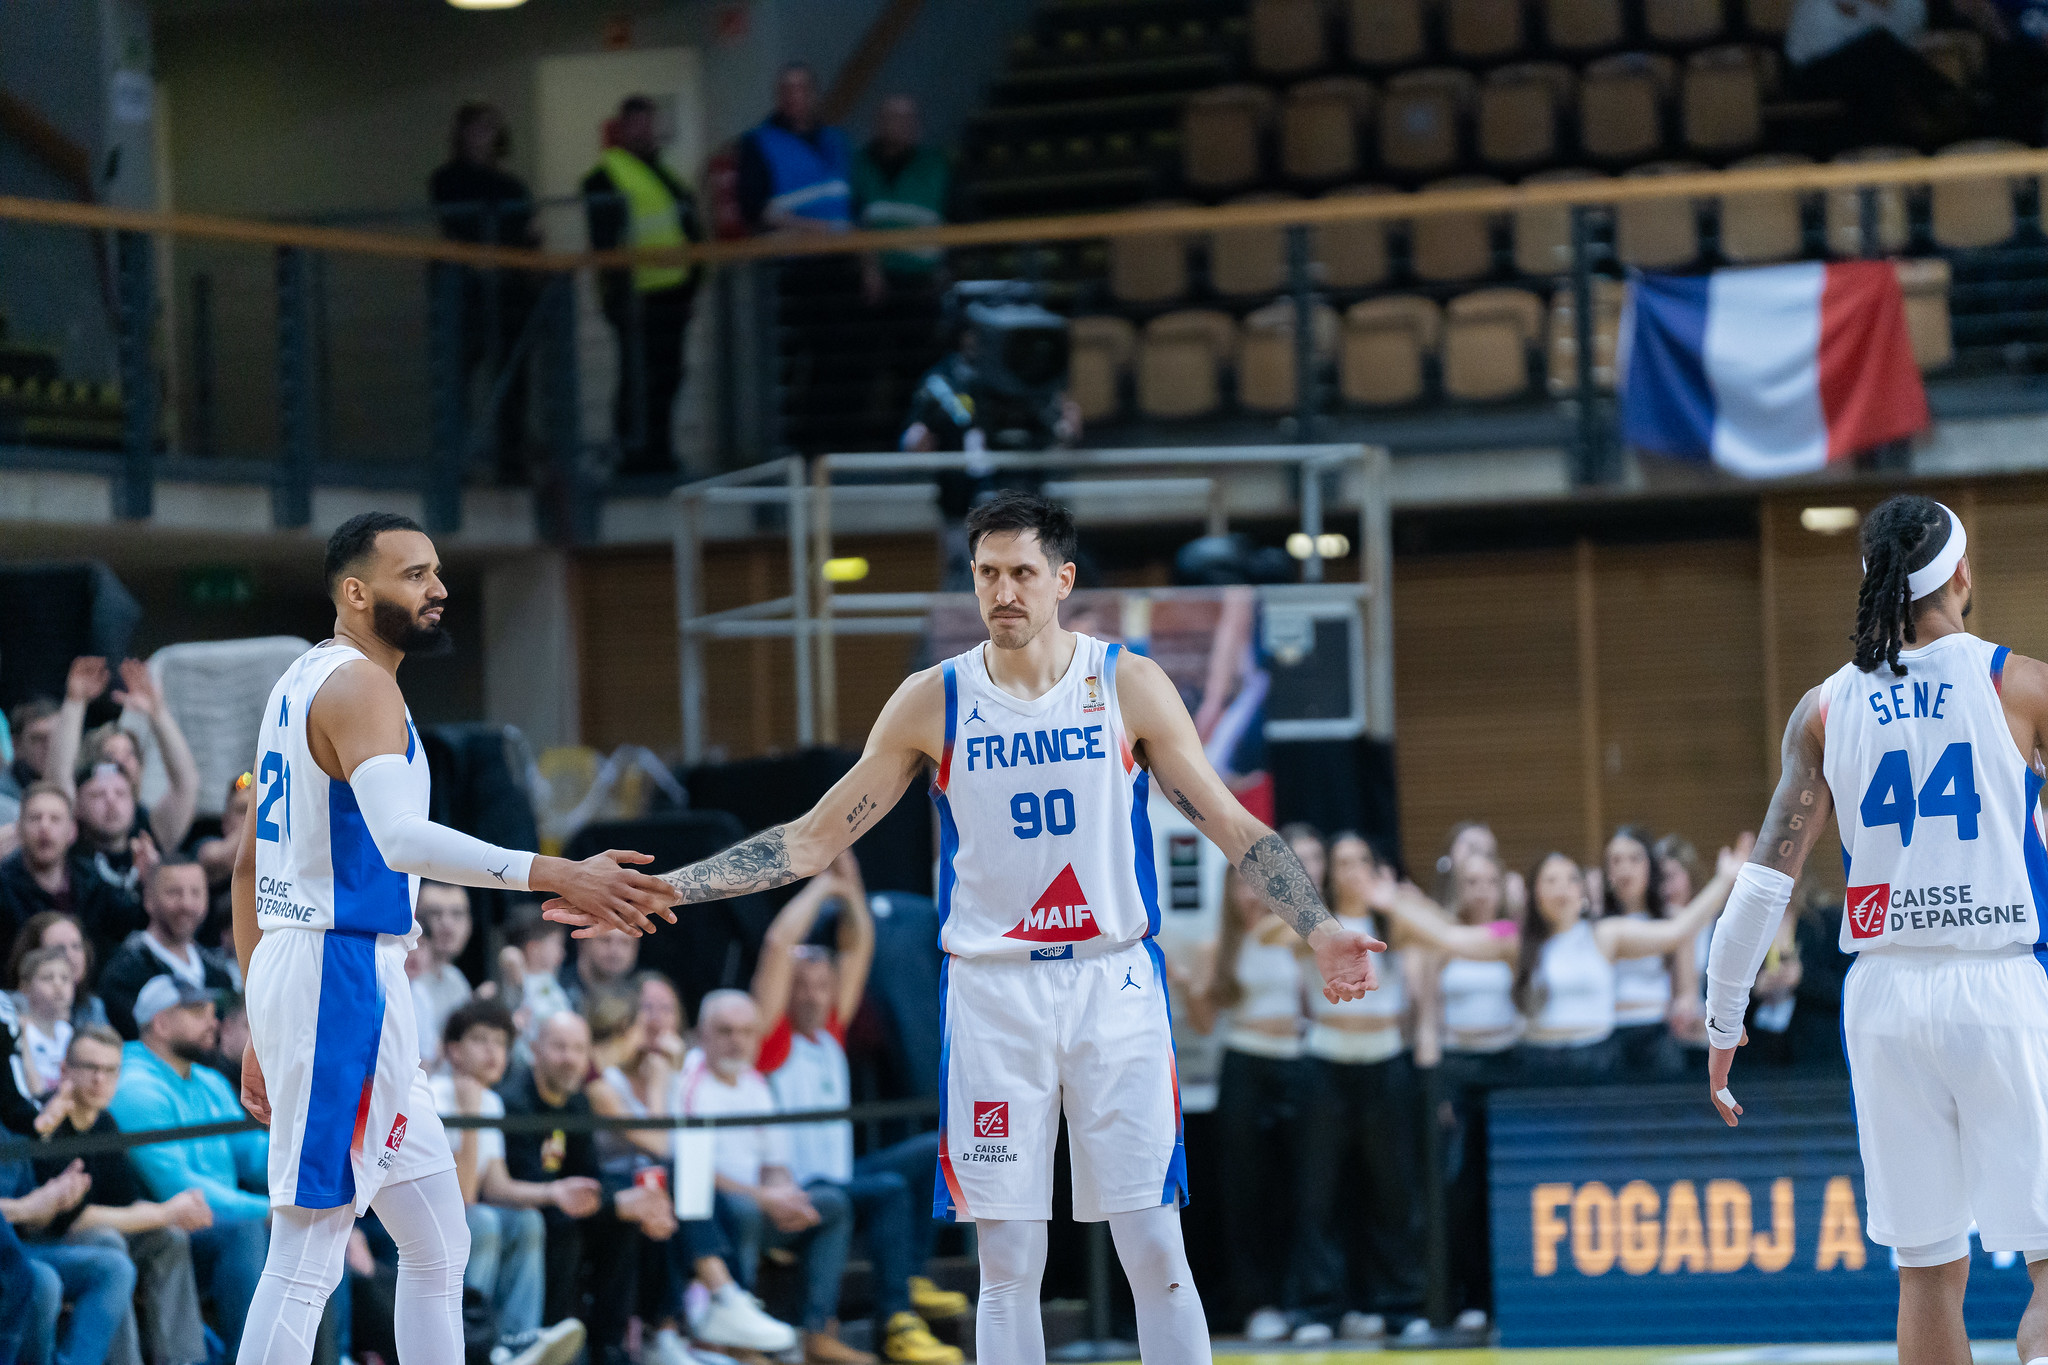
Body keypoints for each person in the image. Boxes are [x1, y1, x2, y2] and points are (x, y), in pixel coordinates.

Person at [548, 492, 1381, 1365]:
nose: (1004, 591)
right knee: (1008, 1261)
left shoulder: (1124, 680)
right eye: (987, 574)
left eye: (1022, 572)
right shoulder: (934, 699)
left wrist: (1318, 924)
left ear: (1062, 579)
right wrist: (665, 887)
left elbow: (1226, 820)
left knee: (1154, 1247)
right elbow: (809, 839)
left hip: (1113, 980)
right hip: (993, 992)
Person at [228, 510, 677, 1365]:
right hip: (337, 973)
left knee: (438, 1237)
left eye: (437, 572)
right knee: (308, 1249)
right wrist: (558, 871)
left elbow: (249, 864)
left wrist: (260, 1015)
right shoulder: (362, 686)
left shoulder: (298, 681)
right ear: (356, 594)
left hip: (330, 976)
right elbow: (402, 842)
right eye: (414, 575)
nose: (438, 589)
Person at [1705, 496, 2048, 1365]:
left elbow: (1760, 883)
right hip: (1999, 982)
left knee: (1926, 1273)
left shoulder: (1824, 710)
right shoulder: (2021, 684)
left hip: (1886, 1001)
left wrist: (1721, 1018)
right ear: (1962, 573)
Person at [751, 853, 969, 1364]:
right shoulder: (770, 1039)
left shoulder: (829, 1030)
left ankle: (911, 1280)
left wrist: (849, 886)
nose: (812, 994)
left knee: (937, 1149)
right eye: (801, 986)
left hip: (839, 1177)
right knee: (891, 1188)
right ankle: (894, 1317)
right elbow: (779, 945)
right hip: (797, 1185)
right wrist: (821, 891)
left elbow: (858, 943)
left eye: (821, 986)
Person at [675, 990, 864, 1363]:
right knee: (742, 1210)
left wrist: (786, 1195)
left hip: (756, 1205)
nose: (737, 1041)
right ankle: (740, 1342)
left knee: (833, 1205)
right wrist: (764, 1197)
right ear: (702, 1034)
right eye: (725, 1031)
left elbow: (775, 1164)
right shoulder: (688, 1081)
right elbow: (690, 1169)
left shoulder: (755, 1083)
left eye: (746, 1032)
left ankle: (816, 1331)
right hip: (709, 1214)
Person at [1293, 834, 1426, 1344]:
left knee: (1394, 1193)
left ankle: (1402, 1305)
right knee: (1317, 1193)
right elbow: (1263, 935)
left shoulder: (1395, 921)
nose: (1350, 871)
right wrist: (1312, 920)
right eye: (1341, 862)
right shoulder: (1312, 923)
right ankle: (1318, 1310)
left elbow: (1445, 933)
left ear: (1376, 867)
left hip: (1386, 1060)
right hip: (1326, 1061)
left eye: (1360, 862)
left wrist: (1398, 902)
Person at [500, 1011, 679, 1365]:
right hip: (525, 1209)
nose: (570, 1059)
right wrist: (615, 1202)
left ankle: (609, 1348)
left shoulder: (578, 1101)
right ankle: (553, 1341)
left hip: (566, 1203)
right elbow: (535, 1185)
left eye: (579, 1050)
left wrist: (635, 1204)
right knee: (570, 1227)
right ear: (536, 1050)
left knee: (629, 1221)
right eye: (560, 1048)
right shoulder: (515, 1101)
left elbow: (588, 1173)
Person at [31, 1025, 214, 1365]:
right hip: (42, 1240)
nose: (100, 1079)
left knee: (168, 1238)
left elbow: (125, 1204)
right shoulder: (43, 1119)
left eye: (111, 1070)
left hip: (86, 1238)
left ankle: (183, 1360)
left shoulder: (106, 1124)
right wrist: (166, 1211)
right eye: (90, 1068)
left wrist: (177, 1211)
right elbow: (74, 1217)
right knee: (108, 1241)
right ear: (64, 1070)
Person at [108, 975, 271, 1355]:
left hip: (222, 1220)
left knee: (316, 1220)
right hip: (168, 1227)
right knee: (247, 1230)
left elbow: (254, 1154)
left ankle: (333, 1354)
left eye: (213, 1012)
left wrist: (314, 1179)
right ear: (161, 1024)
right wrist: (271, 1209)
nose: (213, 1022)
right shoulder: (133, 1087)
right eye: (198, 1013)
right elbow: (178, 1188)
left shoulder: (209, 1080)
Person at [1181, 866, 1306, 1343]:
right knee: (1246, 1190)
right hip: (1244, 1067)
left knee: (1299, 1186)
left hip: (1296, 1063)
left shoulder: (1294, 936)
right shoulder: (1218, 946)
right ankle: (1255, 1303)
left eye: (1258, 881)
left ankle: (1301, 1299)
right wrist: (1190, 985)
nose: (1250, 892)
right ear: (1228, 892)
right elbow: (1205, 1023)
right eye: (1240, 883)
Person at [434, 999, 590, 1365]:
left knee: (529, 1218)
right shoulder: (434, 1096)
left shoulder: (491, 1101)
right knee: (483, 1221)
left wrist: (553, 1193)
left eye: (501, 1043)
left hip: (461, 1210)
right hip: (416, 1219)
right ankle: (473, 1344)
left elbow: (497, 1186)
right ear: (454, 1051)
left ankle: (517, 1344)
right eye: (481, 1040)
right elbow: (466, 1195)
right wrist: (470, 1116)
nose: (493, 1052)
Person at [1421, 852, 1520, 1328]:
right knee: (1461, 1190)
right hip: (1458, 1069)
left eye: (1489, 881)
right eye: (1471, 882)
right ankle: (1472, 1298)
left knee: (1507, 1186)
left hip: (1507, 1069)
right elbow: (1429, 1018)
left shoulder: (1512, 934)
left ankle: (1511, 1296)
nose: (1480, 890)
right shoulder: (1442, 943)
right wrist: (1438, 1083)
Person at [583, 94, 704, 478]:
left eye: (649, 123)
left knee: (667, 375)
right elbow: (606, 240)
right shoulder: (606, 174)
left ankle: (660, 452)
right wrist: (618, 293)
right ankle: (633, 457)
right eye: (638, 123)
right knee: (638, 378)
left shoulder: (665, 174)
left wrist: (692, 285)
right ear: (624, 127)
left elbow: (688, 229)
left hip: (671, 294)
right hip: (634, 296)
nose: (645, 131)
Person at [431, 101, 540, 484]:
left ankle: (511, 465)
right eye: (476, 129)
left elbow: (527, 233)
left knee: (513, 385)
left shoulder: (512, 185)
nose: (483, 137)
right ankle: (456, 467)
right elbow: (458, 224)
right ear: (461, 135)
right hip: (466, 297)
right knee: (456, 382)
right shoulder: (447, 179)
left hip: (509, 295)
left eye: (490, 129)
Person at [49, 655, 202, 853]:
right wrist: (75, 703)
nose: (121, 762)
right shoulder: (72, 828)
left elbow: (186, 784)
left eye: (129, 755)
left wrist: (158, 714)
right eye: (110, 756)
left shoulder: (149, 827)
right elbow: (57, 784)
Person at [1, 1152, 134, 1365]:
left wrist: (55, 1199)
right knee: (43, 1280)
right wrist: (24, 1207)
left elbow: (30, 1224)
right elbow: (24, 1209)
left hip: (20, 1247)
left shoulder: (8, 1134)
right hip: (7, 1257)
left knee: (116, 1268)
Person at [99, 857, 239, 1040]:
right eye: (174, 893)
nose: (186, 904)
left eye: (196, 893)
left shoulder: (220, 975)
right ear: (149, 899)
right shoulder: (125, 972)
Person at [0, 782, 138, 963]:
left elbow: (128, 925)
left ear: (72, 831)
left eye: (55, 819)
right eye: (35, 818)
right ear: (19, 829)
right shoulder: (4, 886)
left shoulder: (93, 881)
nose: (45, 827)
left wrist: (147, 883)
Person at [1598, 826, 1687, 1076]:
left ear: (1651, 865)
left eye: (1635, 859)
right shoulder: (1597, 926)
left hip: (1658, 1032)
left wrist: (1682, 1008)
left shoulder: (1674, 920)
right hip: (1608, 1034)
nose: (1625, 869)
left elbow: (1687, 992)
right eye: (1616, 861)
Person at [69, 765, 156, 960]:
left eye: (120, 793)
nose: (111, 802)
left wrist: (154, 885)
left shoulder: (149, 858)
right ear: (77, 806)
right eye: (98, 795)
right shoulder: (67, 864)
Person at [7, 909, 111, 1031]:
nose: (70, 956)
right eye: (58, 949)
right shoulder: (8, 1009)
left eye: (76, 946)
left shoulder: (93, 1007)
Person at [408, 881, 474, 1065]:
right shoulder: (403, 979)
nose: (447, 923)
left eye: (457, 914)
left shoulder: (456, 980)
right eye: (434, 913)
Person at [195, 771, 254, 951]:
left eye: (252, 810)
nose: (251, 817)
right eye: (243, 810)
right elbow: (223, 857)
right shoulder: (207, 847)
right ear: (225, 822)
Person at [12, 946, 75, 1099]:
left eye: (65, 978)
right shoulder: (18, 1028)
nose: (58, 985)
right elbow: (34, 1090)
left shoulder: (66, 1031)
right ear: (25, 987)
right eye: (47, 978)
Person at [562, 925, 639, 1013]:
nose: (615, 951)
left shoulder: (642, 996)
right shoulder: (557, 991)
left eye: (625, 942)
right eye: (605, 940)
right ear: (583, 942)